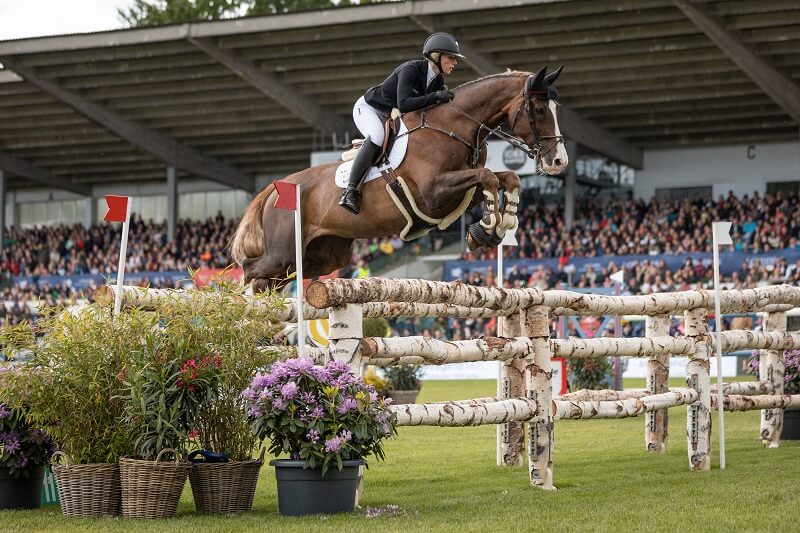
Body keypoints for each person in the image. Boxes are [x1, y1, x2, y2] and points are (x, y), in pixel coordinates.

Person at [338, 32, 465, 214]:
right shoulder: (411, 69)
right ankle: (350, 191)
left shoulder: (438, 79)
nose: (455, 62)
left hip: (391, 115)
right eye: (451, 57)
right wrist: (436, 96)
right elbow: (404, 104)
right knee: (377, 135)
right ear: (436, 57)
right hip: (370, 108)